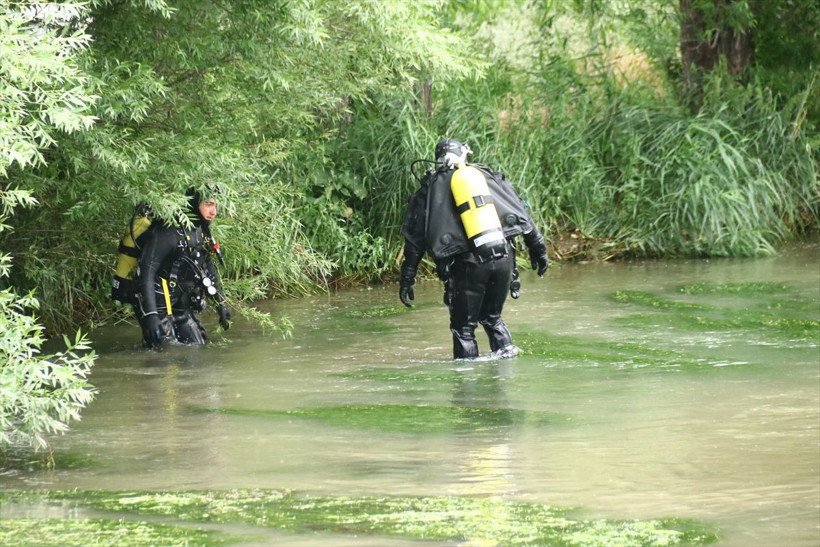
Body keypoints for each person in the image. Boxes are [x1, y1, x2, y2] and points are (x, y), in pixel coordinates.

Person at [399, 138, 549, 359]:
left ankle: (468, 385)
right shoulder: (488, 178)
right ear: (464, 155)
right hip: (503, 257)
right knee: (492, 319)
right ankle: (504, 374)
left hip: (468, 264)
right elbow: (521, 214)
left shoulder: (428, 191)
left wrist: (407, 278)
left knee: (464, 329)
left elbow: (414, 241)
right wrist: (539, 249)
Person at [135, 187, 231, 348]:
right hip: (157, 301)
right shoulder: (167, 232)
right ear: (193, 203)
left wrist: (221, 303)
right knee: (166, 353)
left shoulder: (200, 230)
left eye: (215, 206)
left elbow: (208, 267)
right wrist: (151, 315)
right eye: (208, 205)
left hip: (181, 301)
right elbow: (146, 273)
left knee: (196, 347)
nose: (213, 211)